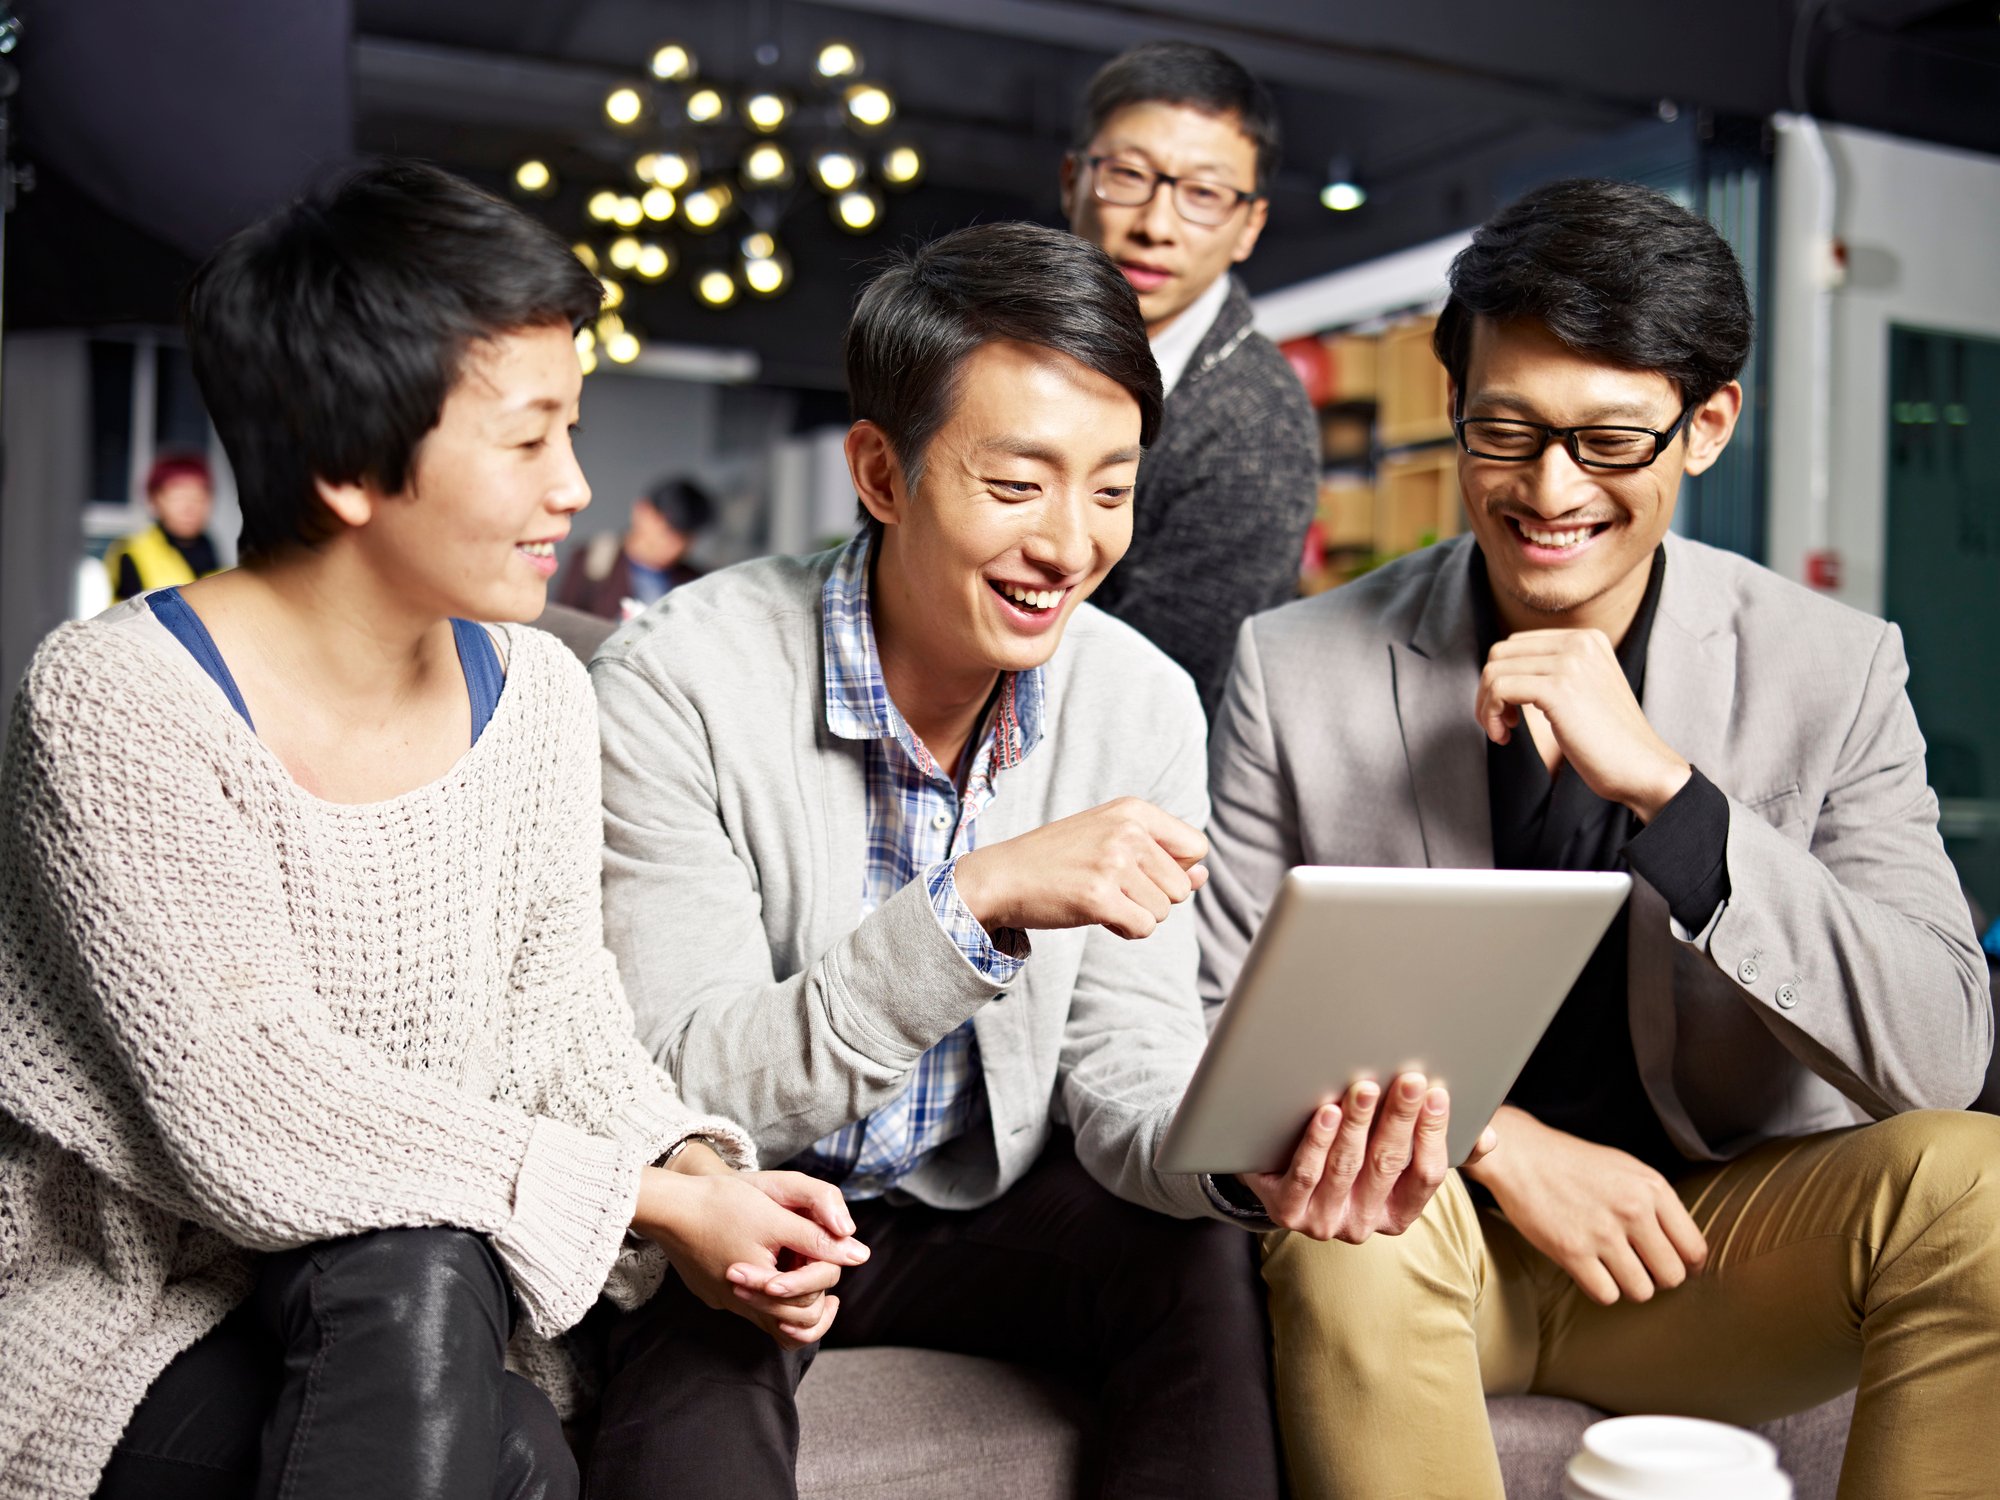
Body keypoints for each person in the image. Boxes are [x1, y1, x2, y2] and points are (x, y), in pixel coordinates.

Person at [0, 159, 865, 1500]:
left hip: (424, 1304)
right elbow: (253, 1106)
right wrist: (646, 1199)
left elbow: (565, 1026)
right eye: (530, 440)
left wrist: (696, 1167)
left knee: (437, 1297)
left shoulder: (538, 702)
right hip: (139, 1311)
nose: (575, 487)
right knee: (447, 1327)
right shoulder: (114, 703)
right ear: (350, 463)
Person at [587, 221, 1473, 1500]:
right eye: (1016, 486)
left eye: (1110, 489)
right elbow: (690, 1084)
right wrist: (972, 904)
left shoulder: (1141, 705)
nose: (1070, 547)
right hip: (745, 1205)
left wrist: (1233, 1156)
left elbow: (1124, 1056)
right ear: (881, 475)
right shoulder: (678, 682)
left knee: (1195, 1265)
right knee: (682, 1395)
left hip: (984, 1202)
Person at [1197, 177, 2000, 1499]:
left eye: (1611, 440)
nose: (1549, 490)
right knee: (1352, 1216)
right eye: (1503, 430)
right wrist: (1498, 1141)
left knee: (1976, 1186)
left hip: (1711, 1249)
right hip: (1427, 1246)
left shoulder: (1836, 668)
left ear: (1707, 426)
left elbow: (1941, 1055)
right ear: (1455, 409)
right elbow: (1218, 1034)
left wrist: (1679, 802)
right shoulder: (1295, 670)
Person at [1061, 40, 1318, 718]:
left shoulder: (1254, 423)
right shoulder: (1005, 353)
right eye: (1128, 176)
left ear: (1248, 226)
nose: (1156, 226)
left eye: (1203, 194)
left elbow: (1152, 698)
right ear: (1072, 182)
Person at [557, 477, 713, 621]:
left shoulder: (696, 582)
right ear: (642, 511)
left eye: (684, 537)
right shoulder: (593, 561)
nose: (673, 543)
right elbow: (566, 625)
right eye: (667, 529)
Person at [105, 450, 224, 601]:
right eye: (179, 496)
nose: (190, 507)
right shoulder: (132, 553)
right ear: (155, 499)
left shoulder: (218, 556)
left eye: (199, 497)